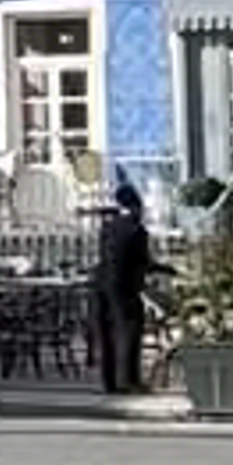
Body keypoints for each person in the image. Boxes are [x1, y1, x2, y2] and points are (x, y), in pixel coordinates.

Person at [91, 171, 153, 399]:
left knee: (107, 333)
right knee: (129, 331)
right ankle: (129, 379)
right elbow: (143, 261)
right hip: (125, 286)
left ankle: (109, 381)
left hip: (102, 283)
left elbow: (105, 255)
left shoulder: (107, 228)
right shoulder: (137, 230)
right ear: (136, 206)